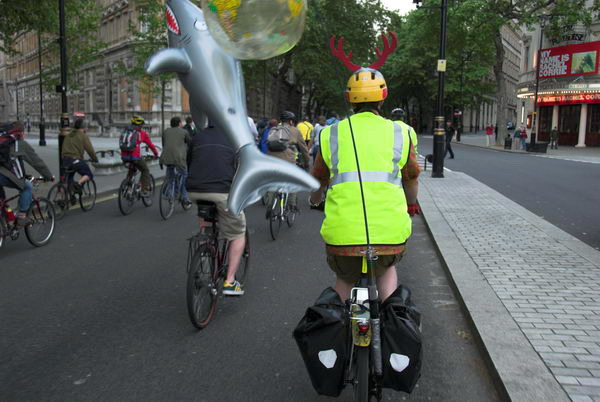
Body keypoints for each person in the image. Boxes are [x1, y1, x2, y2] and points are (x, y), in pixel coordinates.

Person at [309, 67, 420, 302]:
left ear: (349, 99)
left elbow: (319, 178)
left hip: (343, 236)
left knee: (345, 280)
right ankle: (391, 316)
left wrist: (315, 198)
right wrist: (411, 205)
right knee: (386, 270)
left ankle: (338, 324)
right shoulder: (401, 132)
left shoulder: (331, 133)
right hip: (388, 236)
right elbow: (411, 178)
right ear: (384, 95)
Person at [186, 122, 246, 295]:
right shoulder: (235, 138)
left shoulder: (198, 136)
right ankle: (230, 281)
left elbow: (190, 161)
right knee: (238, 233)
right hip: (221, 191)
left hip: (195, 190)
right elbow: (242, 168)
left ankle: (205, 254)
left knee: (206, 221)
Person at [0, 121, 53, 226]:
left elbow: (14, 162)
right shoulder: (20, 143)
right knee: (27, 186)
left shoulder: (3, 140)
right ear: (21, 132)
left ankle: (6, 218)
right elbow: (37, 162)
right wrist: (48, 176)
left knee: (2, 202)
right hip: (3, 174)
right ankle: (21, 216)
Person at [266, 111, 310, 211]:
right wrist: (307, 163)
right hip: (288, 160)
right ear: (290, 121)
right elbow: (304, 149)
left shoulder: (274, 129)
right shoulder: (295, 131)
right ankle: (292, 204)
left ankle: (269, 203)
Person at [120, 115, 159, 197]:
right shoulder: (142, 133)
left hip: (124, 157)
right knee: (145, 170)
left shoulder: (126, 131)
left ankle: (127, 186)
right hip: (135, 157)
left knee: (132, 169)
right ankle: (144, 190)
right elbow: (150, 145)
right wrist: (156, 154)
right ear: (140, 125)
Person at [160, 116, 192, 205]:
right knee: (185, 175)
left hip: (166, 158)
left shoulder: (165, 131)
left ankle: (169, 193)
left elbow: (164, 144)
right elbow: (190, 144)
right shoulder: (184, 132)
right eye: (181, 123)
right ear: (179, 124)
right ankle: (185, 197)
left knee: (170, 177)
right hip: (179, 159)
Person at [61, 116, 99, 192]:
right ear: (84, 128)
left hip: (65, 160)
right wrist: (95, 159)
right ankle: (78, 183)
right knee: (88, 174)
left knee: (69, 178)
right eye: (86, 127)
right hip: (75, 160)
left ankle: (66, 198)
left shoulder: (69, 134)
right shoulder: (83, 135)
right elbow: (90, 150)